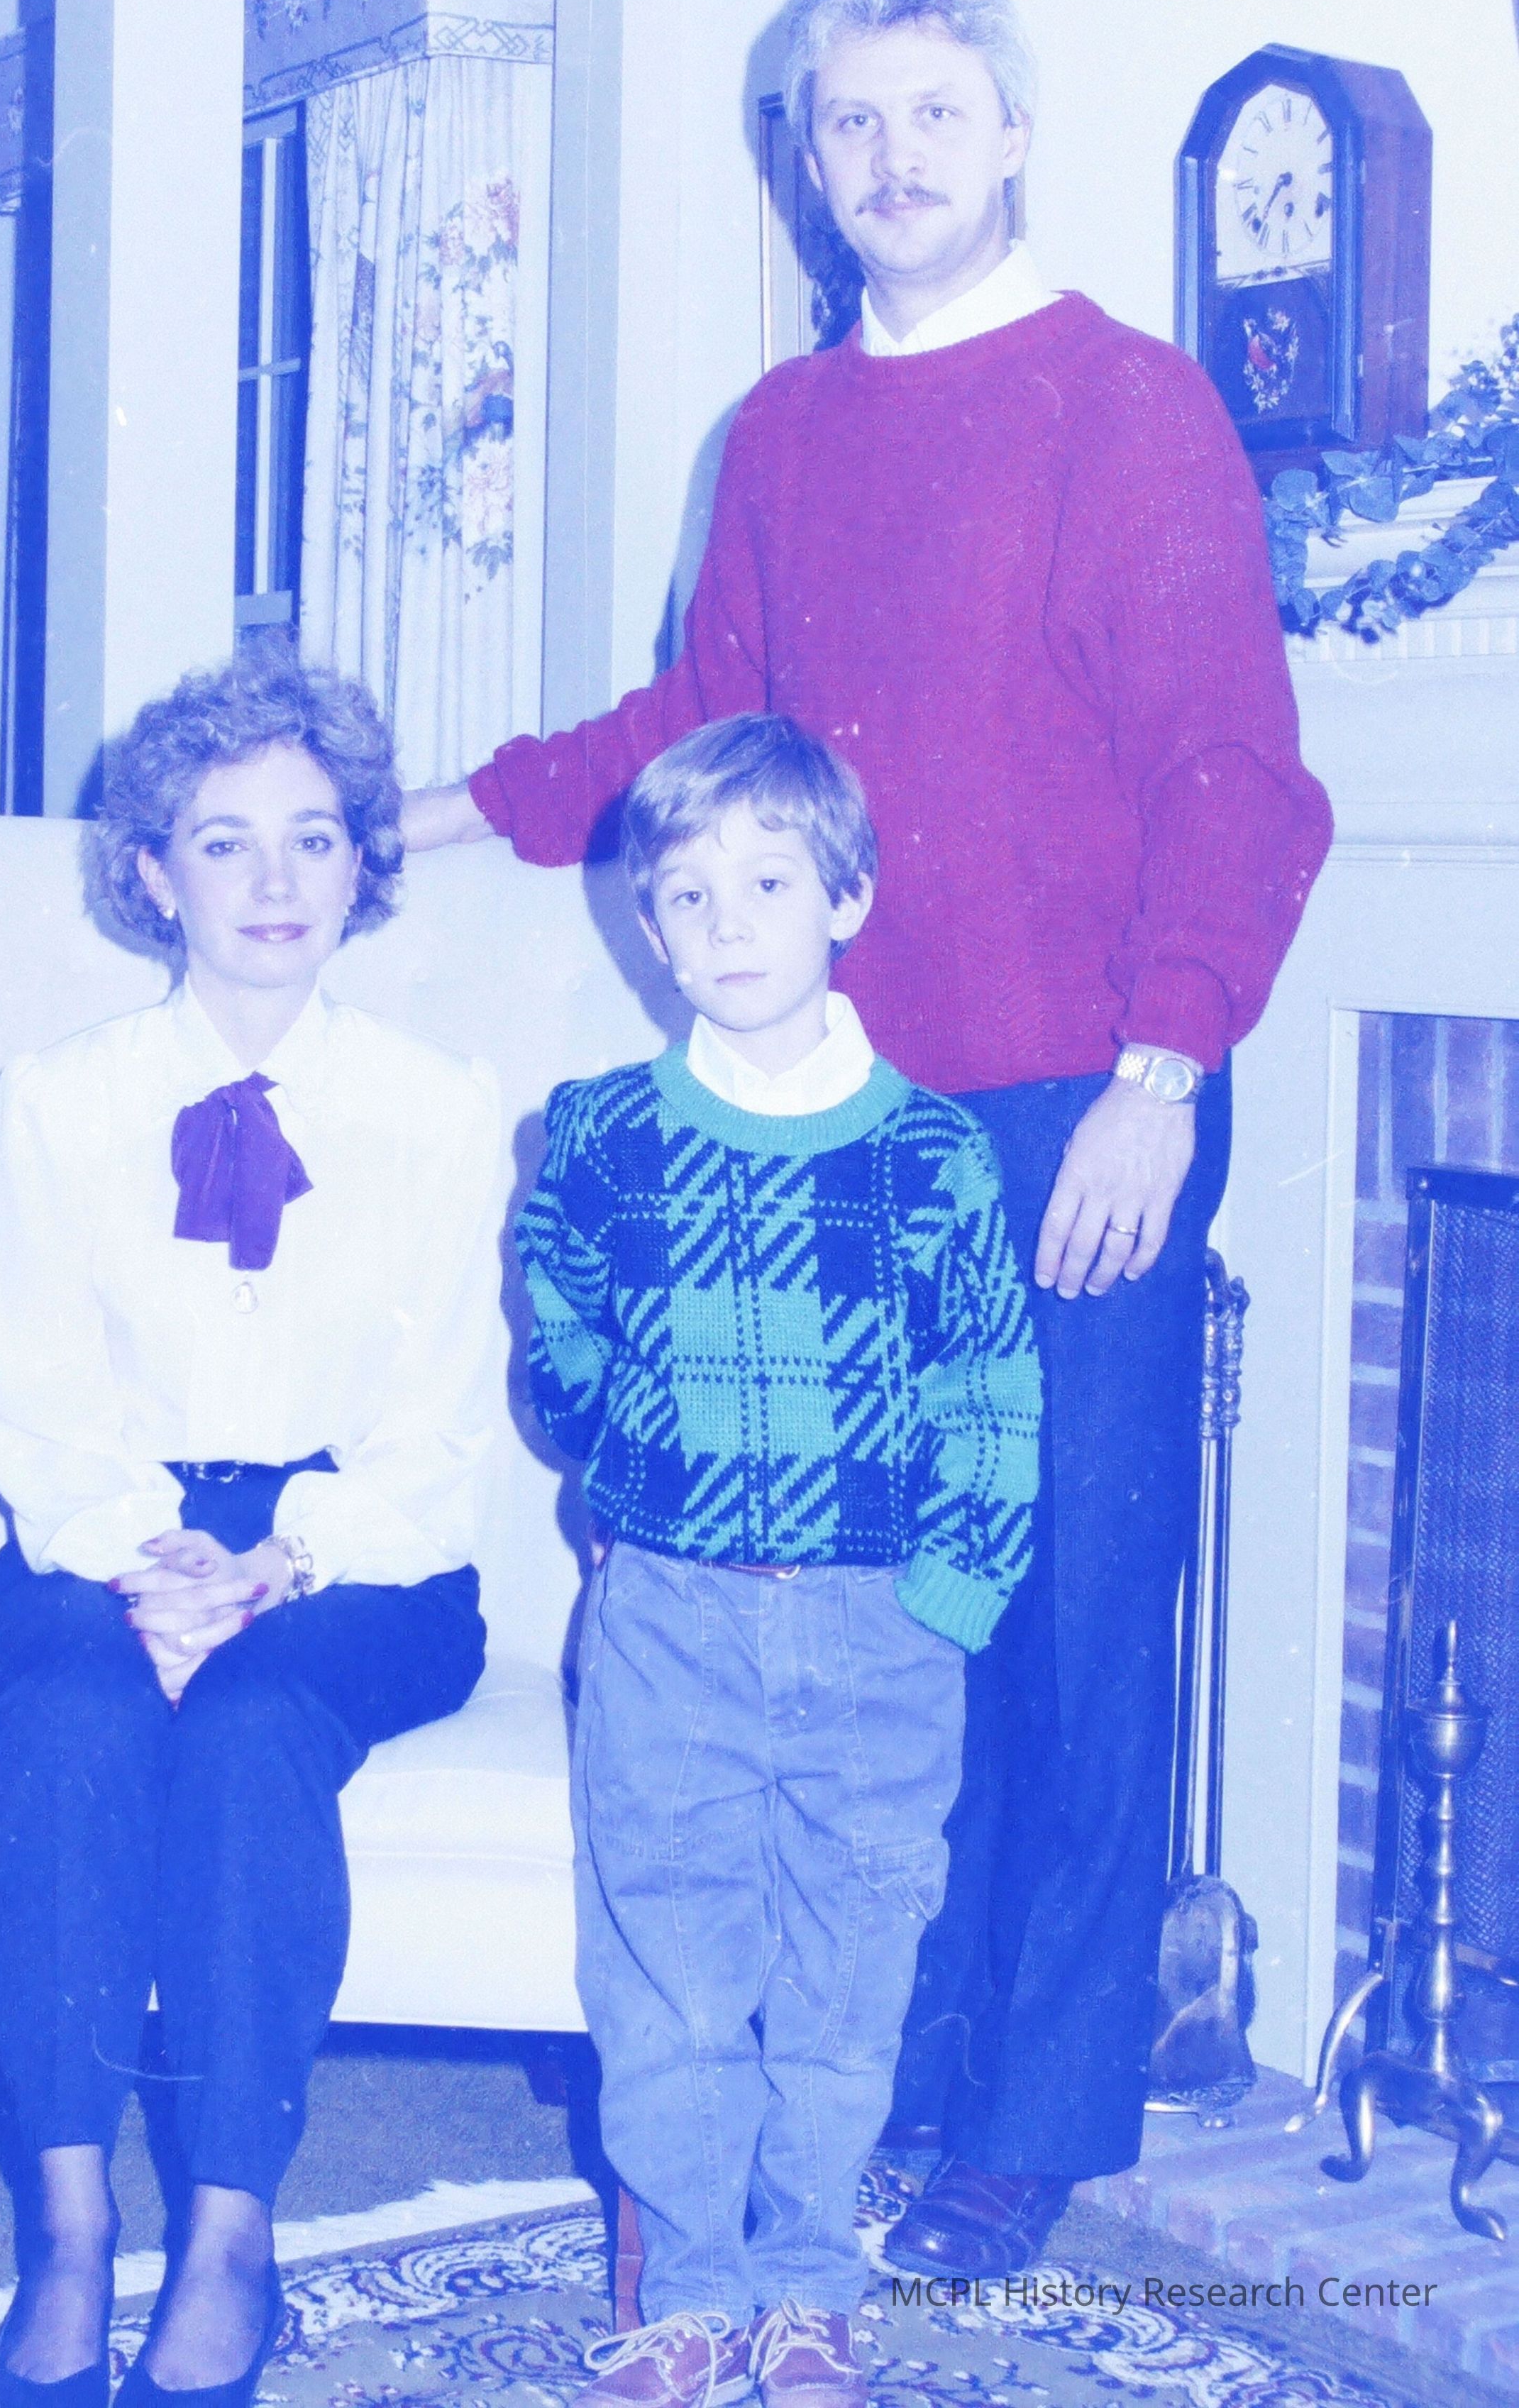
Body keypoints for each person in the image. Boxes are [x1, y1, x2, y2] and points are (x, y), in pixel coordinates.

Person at [403, 0, 1333, 2274]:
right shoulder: (785, 437)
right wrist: (440, 813)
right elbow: (701, 727)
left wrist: (1165, 1072)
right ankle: (892, 2056)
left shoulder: (1130, 409)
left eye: (934, 111)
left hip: (1085, 1100)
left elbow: (1235, 771)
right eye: (851, 123)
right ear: (808, 166)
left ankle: (1039, 2108)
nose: (894, 156)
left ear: (1011, 132)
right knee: (885, 1612)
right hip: (837, 1118)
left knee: (1071, 1610)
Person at [0, 648, 501, 2408]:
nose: (275, 881)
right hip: (100, 1532)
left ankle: (229, 2237)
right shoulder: (57, 1100)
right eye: (224, 841)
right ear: (153, 872)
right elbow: (26, 1386)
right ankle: (64, 2227)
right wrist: (152, 1559)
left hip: (360, 1553)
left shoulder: (438, 1109)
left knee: (260, 1729)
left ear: (362, 866)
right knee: (62, 1722)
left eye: (314, 838)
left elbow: (442, 1417)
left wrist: (282, 1561)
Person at [516, 716, 1041, 2408]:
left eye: (768, 884)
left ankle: (808, 2288)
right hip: (669, 1620)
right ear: (649, 931)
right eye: (689, 894)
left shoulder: (932, 1156)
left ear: (849, 900)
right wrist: (630, 1478)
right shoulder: (602, 1134)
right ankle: (688, 2294)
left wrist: (948, 1598)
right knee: (667, 1968)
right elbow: (560, 1326)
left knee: (848, 1968)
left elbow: (988, 1392)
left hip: (883, 1627)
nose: (729, 923)